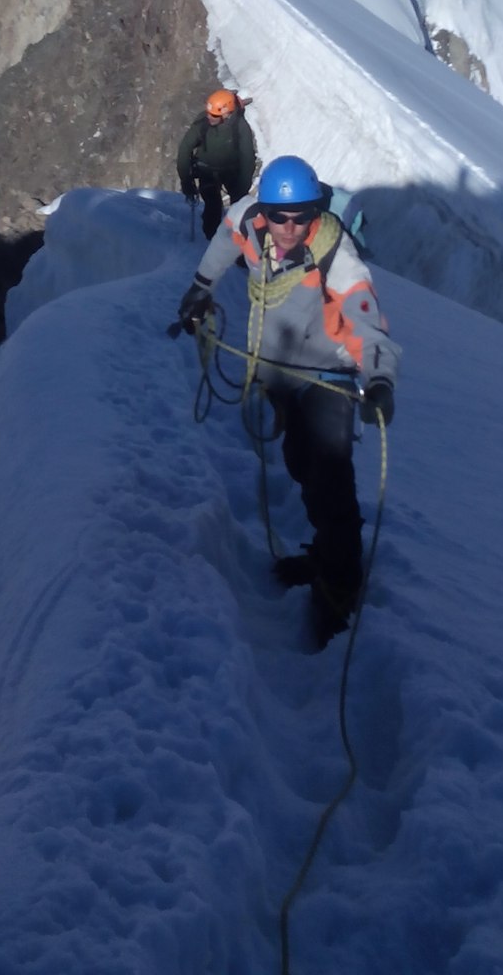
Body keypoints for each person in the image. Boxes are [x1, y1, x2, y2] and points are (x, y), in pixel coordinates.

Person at [176, 154, 399, 644]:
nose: (291, 227)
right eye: (281, 216)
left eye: (302, 216)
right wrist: (200, 287)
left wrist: (379, 379)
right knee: (301, 464)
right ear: (265, 212)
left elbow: (367, 320)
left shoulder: (336, 256)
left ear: (316, 211)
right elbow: (223, 241)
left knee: (331, 481)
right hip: (280, 374)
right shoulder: (248, 221)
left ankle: (339, 591)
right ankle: (324, 553)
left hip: (330, 378)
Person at [176, 88, 257, 239]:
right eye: (209, 113)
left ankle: (232, 243)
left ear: (227, 113)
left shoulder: (240, 127)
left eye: (214, 115)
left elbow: (248, 160)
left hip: (226, 172)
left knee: (233, 210)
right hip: (211, 172)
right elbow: (185, 149)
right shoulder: (206, 124)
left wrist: (242, 188)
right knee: (215, 208)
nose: (210, 117)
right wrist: (185, 180)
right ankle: (215, 242)